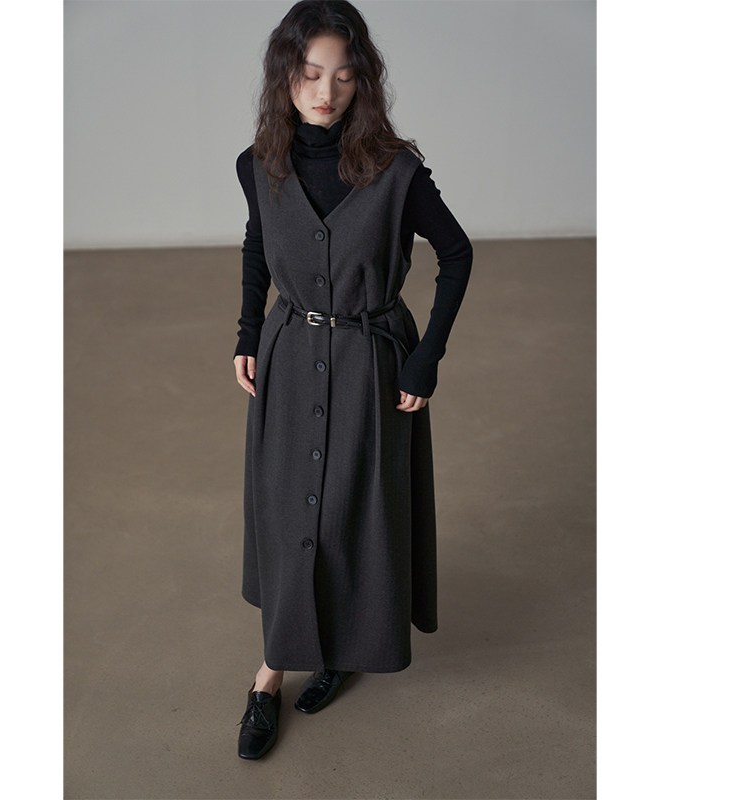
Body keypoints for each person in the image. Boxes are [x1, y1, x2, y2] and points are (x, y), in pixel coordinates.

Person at [232, 0, 473, 760]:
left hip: (372, 360)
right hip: (289, 355)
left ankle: (331, 651)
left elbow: (458, 254)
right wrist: (247, 332)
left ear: (362, 80)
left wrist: (425, 358)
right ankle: (270, 675)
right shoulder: (257, 164)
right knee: (289, 514)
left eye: (342, 76)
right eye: (309, 74)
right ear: (285, 75)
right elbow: (257, 243)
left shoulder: (397, 170)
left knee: (349, 511)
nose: (325, 92)